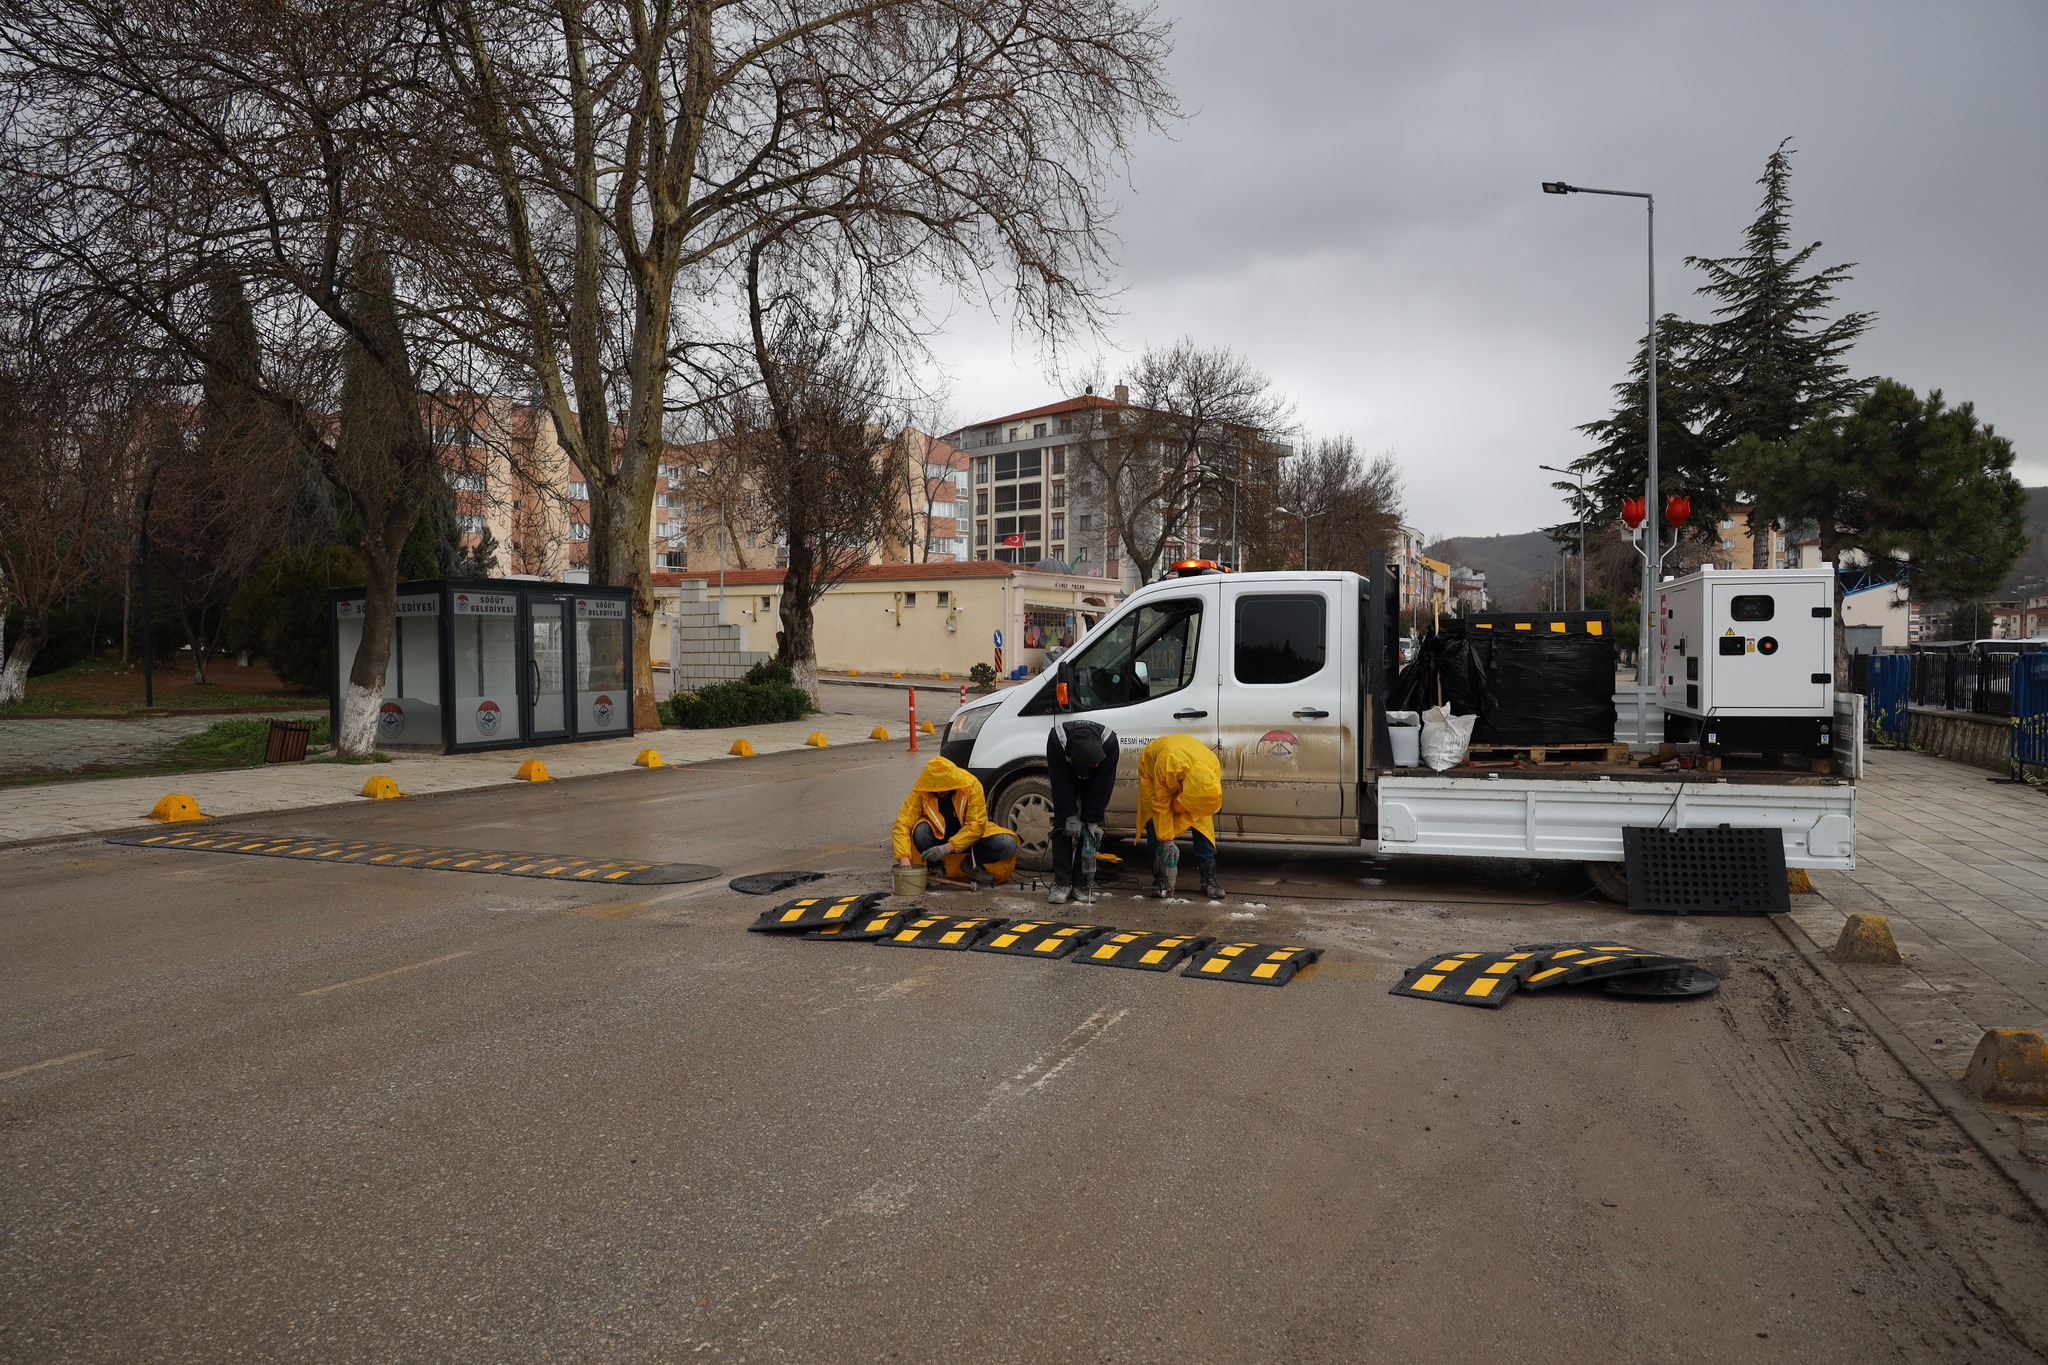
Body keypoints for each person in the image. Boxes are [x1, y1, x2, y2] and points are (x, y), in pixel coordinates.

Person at [891, 756, 1019, 887]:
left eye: (944, 788)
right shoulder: (923, 790)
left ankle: (971, 864)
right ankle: (937, 867)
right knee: (920, 832)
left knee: (1007, 844)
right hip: (938, 836)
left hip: (969, 839)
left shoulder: (971, 786)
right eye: (936, 789)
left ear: (952, 782)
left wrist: (947, 848)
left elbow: (976, 826)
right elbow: (901, 824)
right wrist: (904, 860)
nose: (940, 792)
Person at [1136, 733, 1225, 901]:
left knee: (1202, 821)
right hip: (1155, 769)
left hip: (1187, 773)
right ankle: (1160, 878)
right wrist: (1166, 840)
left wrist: (1193, 811)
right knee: (1153, 817)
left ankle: (1208, 878)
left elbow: (1202, 805)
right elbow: (1160, 805)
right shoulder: (1167, 763)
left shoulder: (1212, 769)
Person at [1046, 717, 1118, 905]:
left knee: (1088, 832)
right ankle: (1062, 883)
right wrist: (1070, 815)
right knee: (1063, 826)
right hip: (1067, 776)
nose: (1095, 765)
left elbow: (1103, 785)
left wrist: (1093, 820)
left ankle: (1081, 884)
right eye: (1091, 763)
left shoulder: (1109, 743)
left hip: (1094, 782)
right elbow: (1060, 781)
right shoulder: (1057, 739)